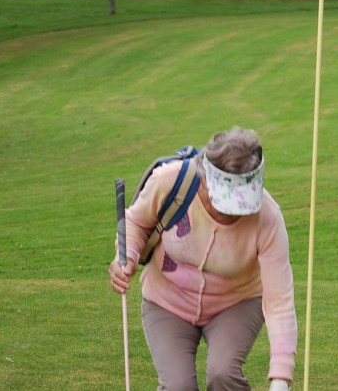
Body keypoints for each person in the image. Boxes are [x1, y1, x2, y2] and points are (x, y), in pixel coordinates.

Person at [109, 128, 296, 391]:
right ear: (204, 180)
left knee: (223, 375)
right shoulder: (170, 182)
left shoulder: (269, 217)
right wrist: (126, 256)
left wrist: (281, 379)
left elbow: (280, 302)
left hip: (236, 302)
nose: (234, 215)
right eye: (226, 204)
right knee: (178, 386)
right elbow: (136, 223)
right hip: (167, 300)